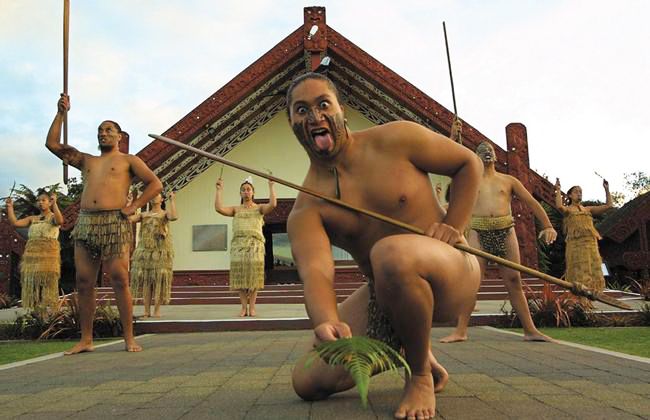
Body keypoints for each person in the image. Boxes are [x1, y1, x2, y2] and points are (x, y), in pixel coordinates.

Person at [286, 73, 482, 419]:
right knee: (308, 381)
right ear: (291, 124)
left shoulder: (396, 138)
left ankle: (418, 373)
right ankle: (410, 343)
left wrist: (453, 226)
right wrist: (326, 320)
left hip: (451, 269)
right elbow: (316, 271)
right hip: (386, 290)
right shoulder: (306, 208)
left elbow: (468, 163)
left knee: (389, 253)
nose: (314, 116)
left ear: (341, 111)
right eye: (301, 110)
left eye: (323, 104)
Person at [46, 93, 162, 354]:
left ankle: (129, 338)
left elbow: (155, 184)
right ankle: (86, 339)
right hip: (87, 222)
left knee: (120, 278)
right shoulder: (87, 160)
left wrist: (133, 206)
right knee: (84, 281)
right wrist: (61, 113)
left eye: (109, 130)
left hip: (115, 221)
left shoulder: (129, 160)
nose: (103, 134)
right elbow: (52, 144)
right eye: (100, 130)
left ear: (119, 136)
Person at [440, 141, 558, 344]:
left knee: (514, 280)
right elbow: (454, 159)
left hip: (505, 230)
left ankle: (530, 330)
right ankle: (460, 331)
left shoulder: (508, 180)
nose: (487, 152)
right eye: (482, 151)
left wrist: (548, 225)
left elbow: (531, 202)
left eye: (490, 150)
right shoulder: (470, 180)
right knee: (472, 281)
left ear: (495, 157)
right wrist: (453, 136)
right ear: (475, 156)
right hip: (478, 231)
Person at [215, 176, 277, 317]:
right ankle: (244, 307)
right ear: (240, 193)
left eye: (248, 189)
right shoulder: (235, 209)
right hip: (238, 246)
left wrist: (271, 186)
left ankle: (253, 307)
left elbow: (273, 204)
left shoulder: (259, 208)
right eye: (243, 190)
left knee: (254, 277)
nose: (246, 191)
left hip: (255, 246)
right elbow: (219, 208)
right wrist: (219, 190)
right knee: (240, 277)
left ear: (253, 192)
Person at [5, 191, 64, 308]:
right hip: (31, 256)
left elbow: (60, 221)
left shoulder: (52, 217)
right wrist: (10, 207)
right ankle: (33, 312)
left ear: (49, 202)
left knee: (48, 284)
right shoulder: (33, 218)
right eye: (39, 200)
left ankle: (49, 311)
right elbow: (15, 223)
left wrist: (55, 204)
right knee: (31, 283)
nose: (40, 202)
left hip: (48, 257)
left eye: (43, 200)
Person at [555, 178, 612, 294]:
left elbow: (609, 206)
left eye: (580, 192)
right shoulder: (568, 210)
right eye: (576, 192)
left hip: (591, 243)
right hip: (576, 243)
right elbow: (559, 206)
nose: (579, 193)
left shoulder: (588, 209)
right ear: (570, 195)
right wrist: (558, 190)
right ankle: (579, 292)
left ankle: (595, 291)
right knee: (577, 267)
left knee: (594, 266)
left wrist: (607, 189)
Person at [129, 191, 178, 318]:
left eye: (157, 195)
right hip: (145, 252)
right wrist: (129, 204)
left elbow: (174, 216)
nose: (153, 196)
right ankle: (146, 310)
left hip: (160, 251)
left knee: (158, 281)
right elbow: (128, 219)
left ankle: (156, 310)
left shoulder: (164, 214)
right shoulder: (144, 214)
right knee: (146, 281)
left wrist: (172, 201)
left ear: (162, 199)